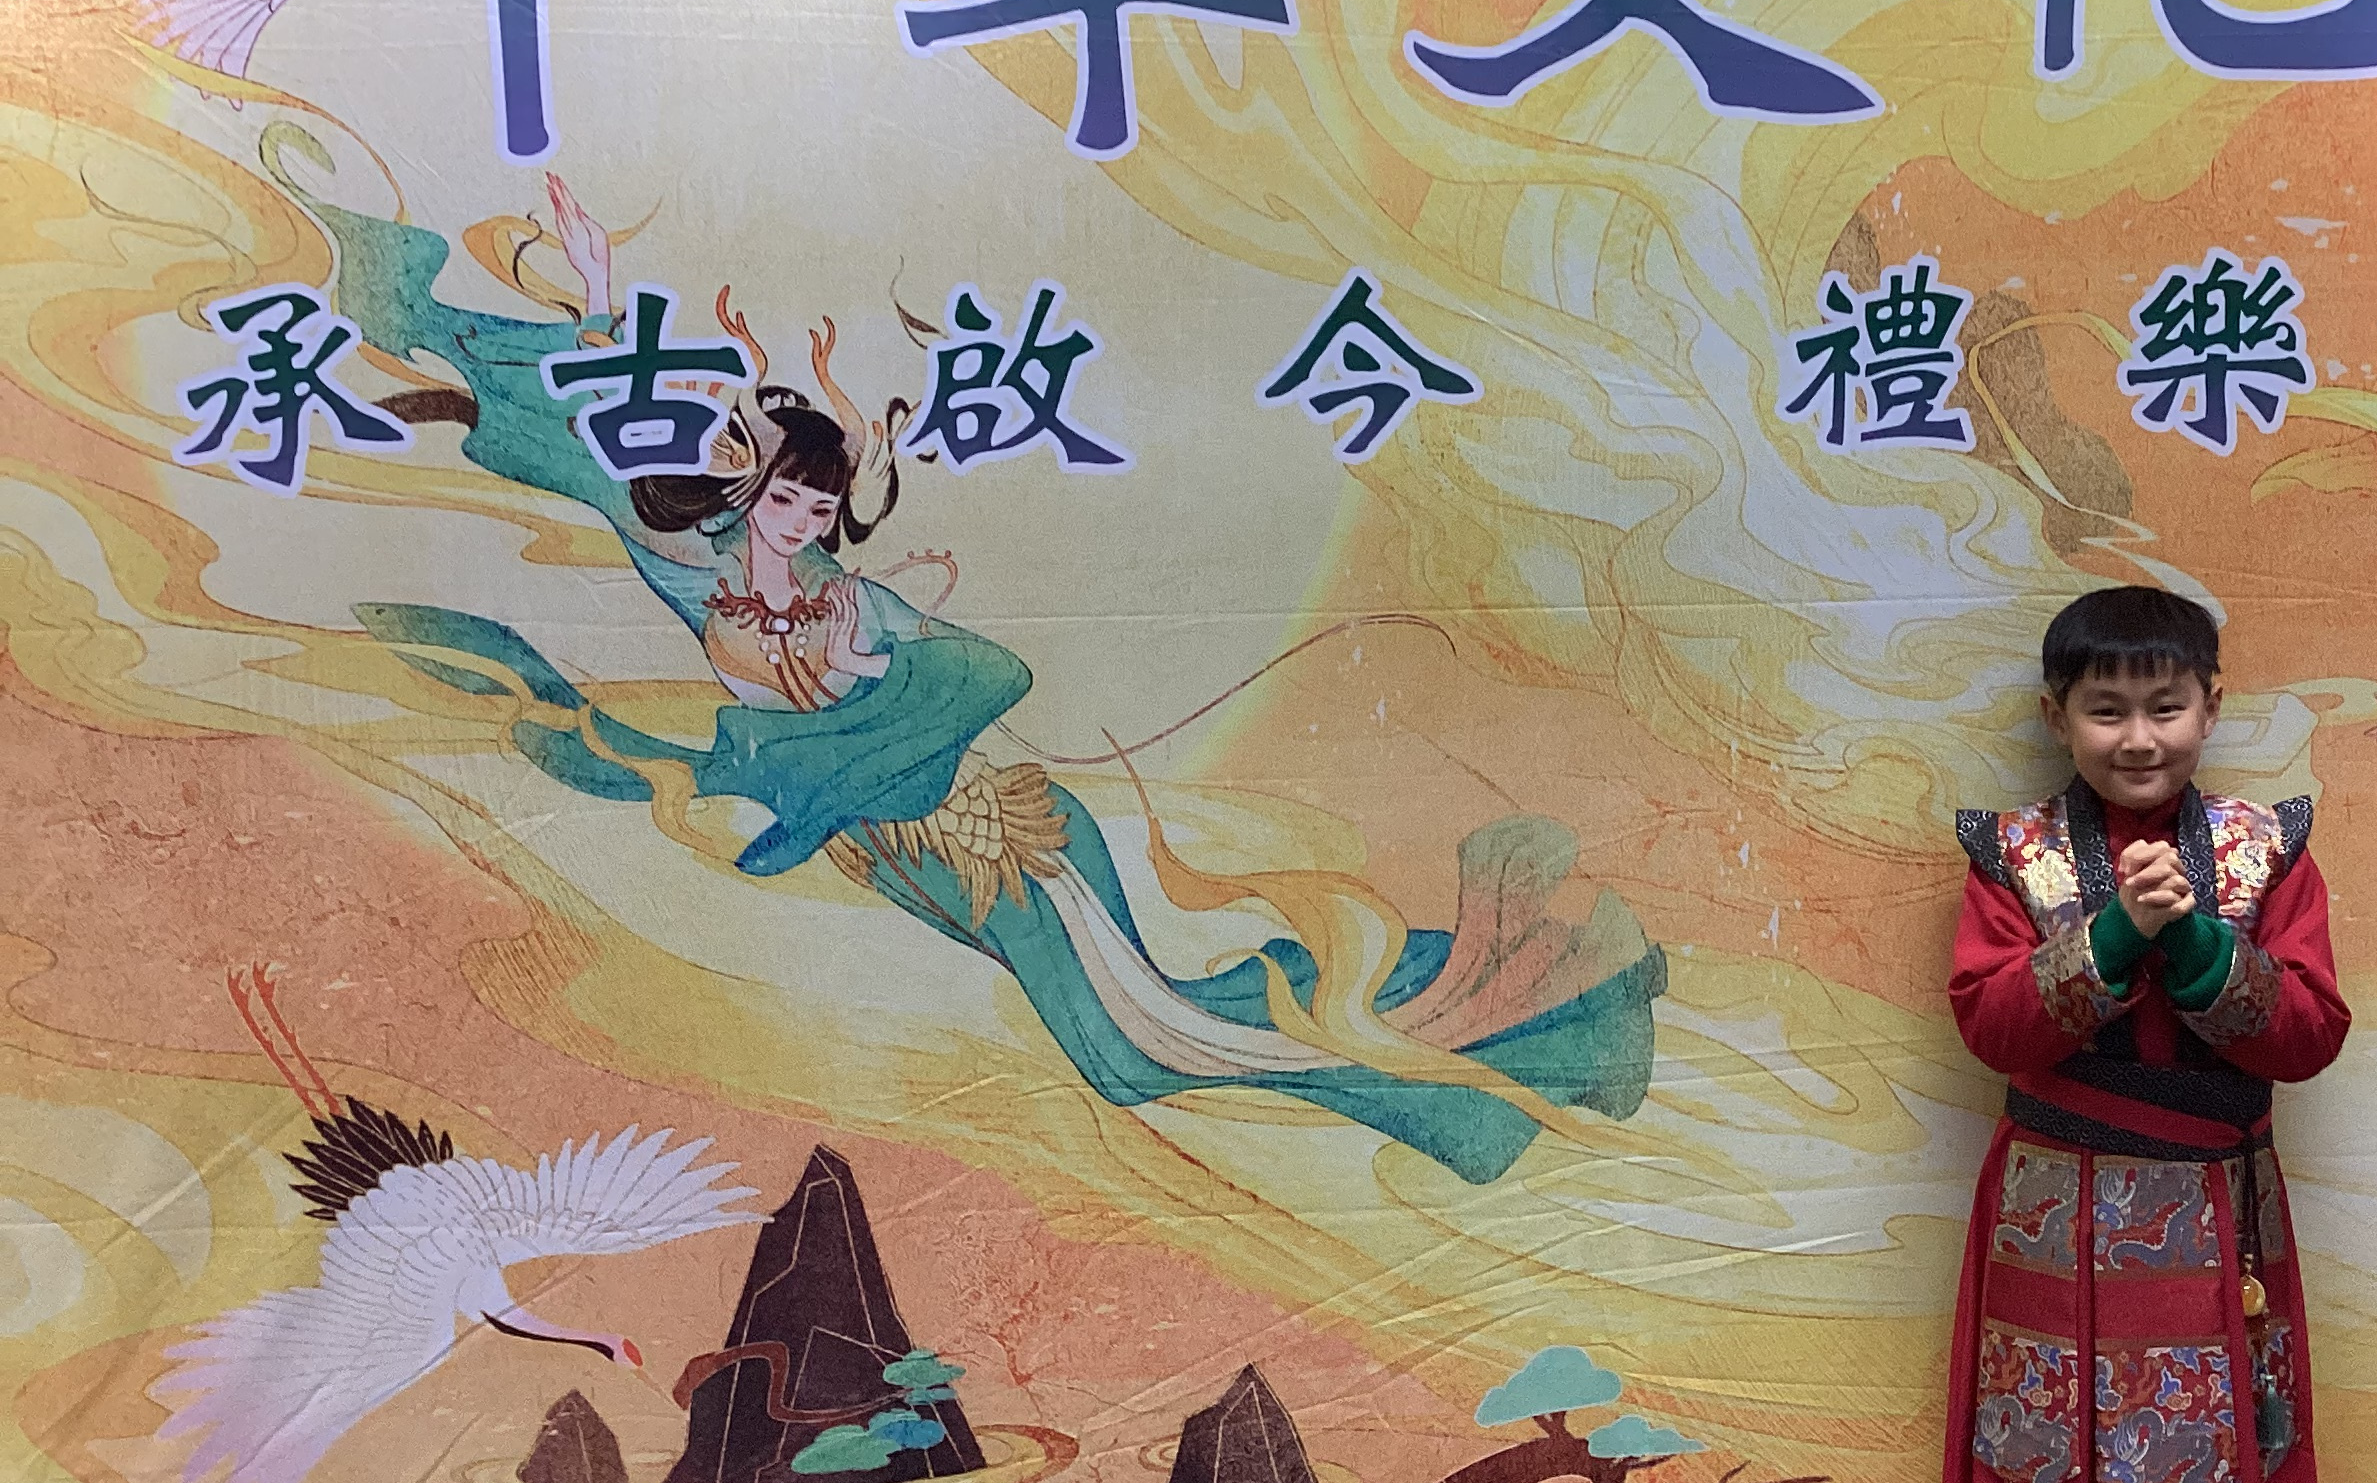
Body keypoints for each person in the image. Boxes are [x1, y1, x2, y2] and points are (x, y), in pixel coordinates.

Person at [266, 137, 1665, 1187]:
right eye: (787, 495)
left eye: (820, 503)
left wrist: (843, 724)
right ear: (752, 487)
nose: (801, 518)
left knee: (1137, 1049)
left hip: (1003, 836)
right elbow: (594, 452)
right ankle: (1475, 1049)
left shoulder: (852, 599)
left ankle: (1491, 1059)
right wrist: (598, 302)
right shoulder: (695, 568)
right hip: (903, 851)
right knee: (1148, 1042)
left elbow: (984, 676)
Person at [1927, 586, 2349, 1483]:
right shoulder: (2013, 856)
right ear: (2056, 717)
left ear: (2212, 706)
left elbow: (2310, 1035)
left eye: (2166, 706)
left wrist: (2203, 949)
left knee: (2227, 1444)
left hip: (2221, 1210)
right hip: (2054, 1207)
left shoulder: (2270, 851)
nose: (2139, 736)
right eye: (2106, 710)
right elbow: (1993, 1026)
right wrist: (2116, 933)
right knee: (2043, 1453)